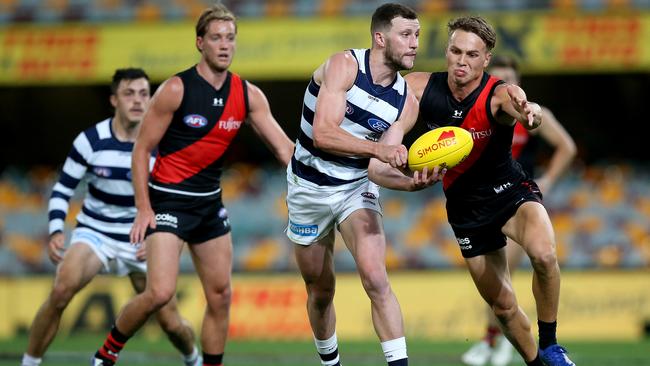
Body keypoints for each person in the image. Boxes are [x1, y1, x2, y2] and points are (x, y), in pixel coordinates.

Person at [92, 4, 294, 366]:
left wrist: (328, 165)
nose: (224, 45)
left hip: (208, 206)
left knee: (220, 295)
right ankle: (106, 355)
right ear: (200, 42)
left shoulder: (248, 95)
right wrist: (143, 208)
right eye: (216, 38)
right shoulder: (175, 89)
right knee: (159, 292)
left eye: (230, 38)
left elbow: (284, 150)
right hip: (168, 204)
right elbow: (141, 150)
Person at [404, 16, 576, 366]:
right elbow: (393, 125)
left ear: (486, 59)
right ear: (447, 52)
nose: (461, 61)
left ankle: (552, 344)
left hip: (511, 194)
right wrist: (398, 160)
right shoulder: (420, 87)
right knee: (502, 306)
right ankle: (536, 363)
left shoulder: (500, 94)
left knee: (544, 255)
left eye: (471, 54)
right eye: (455, 51)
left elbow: (527, 111)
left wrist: (532, 114)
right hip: (466, 210)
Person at [286, 4, 441, 366]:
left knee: (376, 278)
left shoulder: (405, 103)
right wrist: (381, 149)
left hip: (355, 188)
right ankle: (331, 362)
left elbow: (376, 170)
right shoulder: (344, 65)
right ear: (380, 37)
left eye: (417, 35)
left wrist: (413, 184)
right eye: (406, 34)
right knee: (320, 290)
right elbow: (324, 133)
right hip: (307, 188)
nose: (415, 43)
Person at [21, 68, 202, 366]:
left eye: (144, 94)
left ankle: (192, 358)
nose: (137, 101)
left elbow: (180, 201)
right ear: (113, 100)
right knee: (61, 290)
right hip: (96, 233)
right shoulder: (90, 141)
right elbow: (62, 189)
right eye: (129, 94)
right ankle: (29, 363)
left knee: (170, 322)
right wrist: (56, 230)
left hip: (144, 237)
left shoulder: (166, 142)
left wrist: (159, 237)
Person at [461, 55, 577, 366]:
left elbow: (567, 146)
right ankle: (496, 340)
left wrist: (549, 179)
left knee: (511, 273)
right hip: (481, 203)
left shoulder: (530, 114)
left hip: (516, 201)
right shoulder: (476, 112)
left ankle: (498, 343)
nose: (502, 85)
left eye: (508, 79)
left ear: (519, 83)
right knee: (500, 283)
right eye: (496, 79)